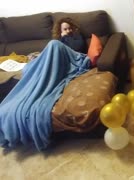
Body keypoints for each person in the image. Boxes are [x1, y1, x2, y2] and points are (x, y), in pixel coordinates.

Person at [0, 17, 91, 151]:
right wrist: (61, 38)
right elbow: (54, 52)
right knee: (45, 52)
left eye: (69, 28)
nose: (68, 30)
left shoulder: (77, 37)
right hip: (58, 55)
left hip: (71, 59)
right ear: (59, 31)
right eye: (65, 29)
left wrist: (68, 37)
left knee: (54, 45)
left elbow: (78, 48)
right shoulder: (58, 39)